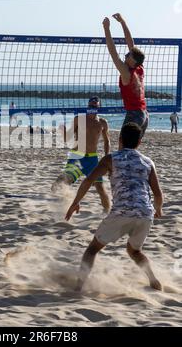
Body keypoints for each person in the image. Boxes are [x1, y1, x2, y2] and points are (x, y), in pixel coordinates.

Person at [65, 123, 163, 292]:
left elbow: (88, 180)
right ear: (139, 142)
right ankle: (154, 281)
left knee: (92, 249)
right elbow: (158, 194)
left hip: (122, 212)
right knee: (134, 252)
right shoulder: (148, 162)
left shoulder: (111, 158)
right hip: (146, 213)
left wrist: (75, 202)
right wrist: (158, 209)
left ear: (120, 140)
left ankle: (77, 288)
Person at [52, 96, 111, 214]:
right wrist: (63, 130)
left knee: (100, 188)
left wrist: (106, 158)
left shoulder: (102, 122)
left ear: (99, 107)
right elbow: (67, 138)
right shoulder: (79, 119)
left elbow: (107, 141)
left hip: (92, 159)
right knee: (63, 182)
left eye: (95, 106)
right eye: (90, 106)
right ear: (87, 106)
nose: (92, 108)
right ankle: (68, 202)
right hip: (77, 156)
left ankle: (108, 212)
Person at [103, 13, 148, 138]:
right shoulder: (139, 68)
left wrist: (106, 29)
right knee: (130, 148)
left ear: (133, 61)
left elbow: (113, 53)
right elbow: (130, 42)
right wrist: (122, 22)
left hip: (134, 115)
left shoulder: (126, 72)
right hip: (144, 114)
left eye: (129, 55)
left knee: (123, 147)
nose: (126, 55)